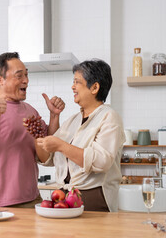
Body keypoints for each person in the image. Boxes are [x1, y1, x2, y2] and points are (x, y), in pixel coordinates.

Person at [0, 52, 65, 208]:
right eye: (19, 76)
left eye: (27, 75)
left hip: (31, 200)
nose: (26, 81)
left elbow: (48, 153)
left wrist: (54, 116)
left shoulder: (31, 112)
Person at [33, 59, 125, 212]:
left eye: (77, 82)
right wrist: (54, 117)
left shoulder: (109, 117)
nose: (72, 86)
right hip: (63, 196)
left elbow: (101, 162)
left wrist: (61, 146)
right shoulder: (73, 120)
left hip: (93, 198)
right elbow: (49, 158)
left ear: (94, 87)